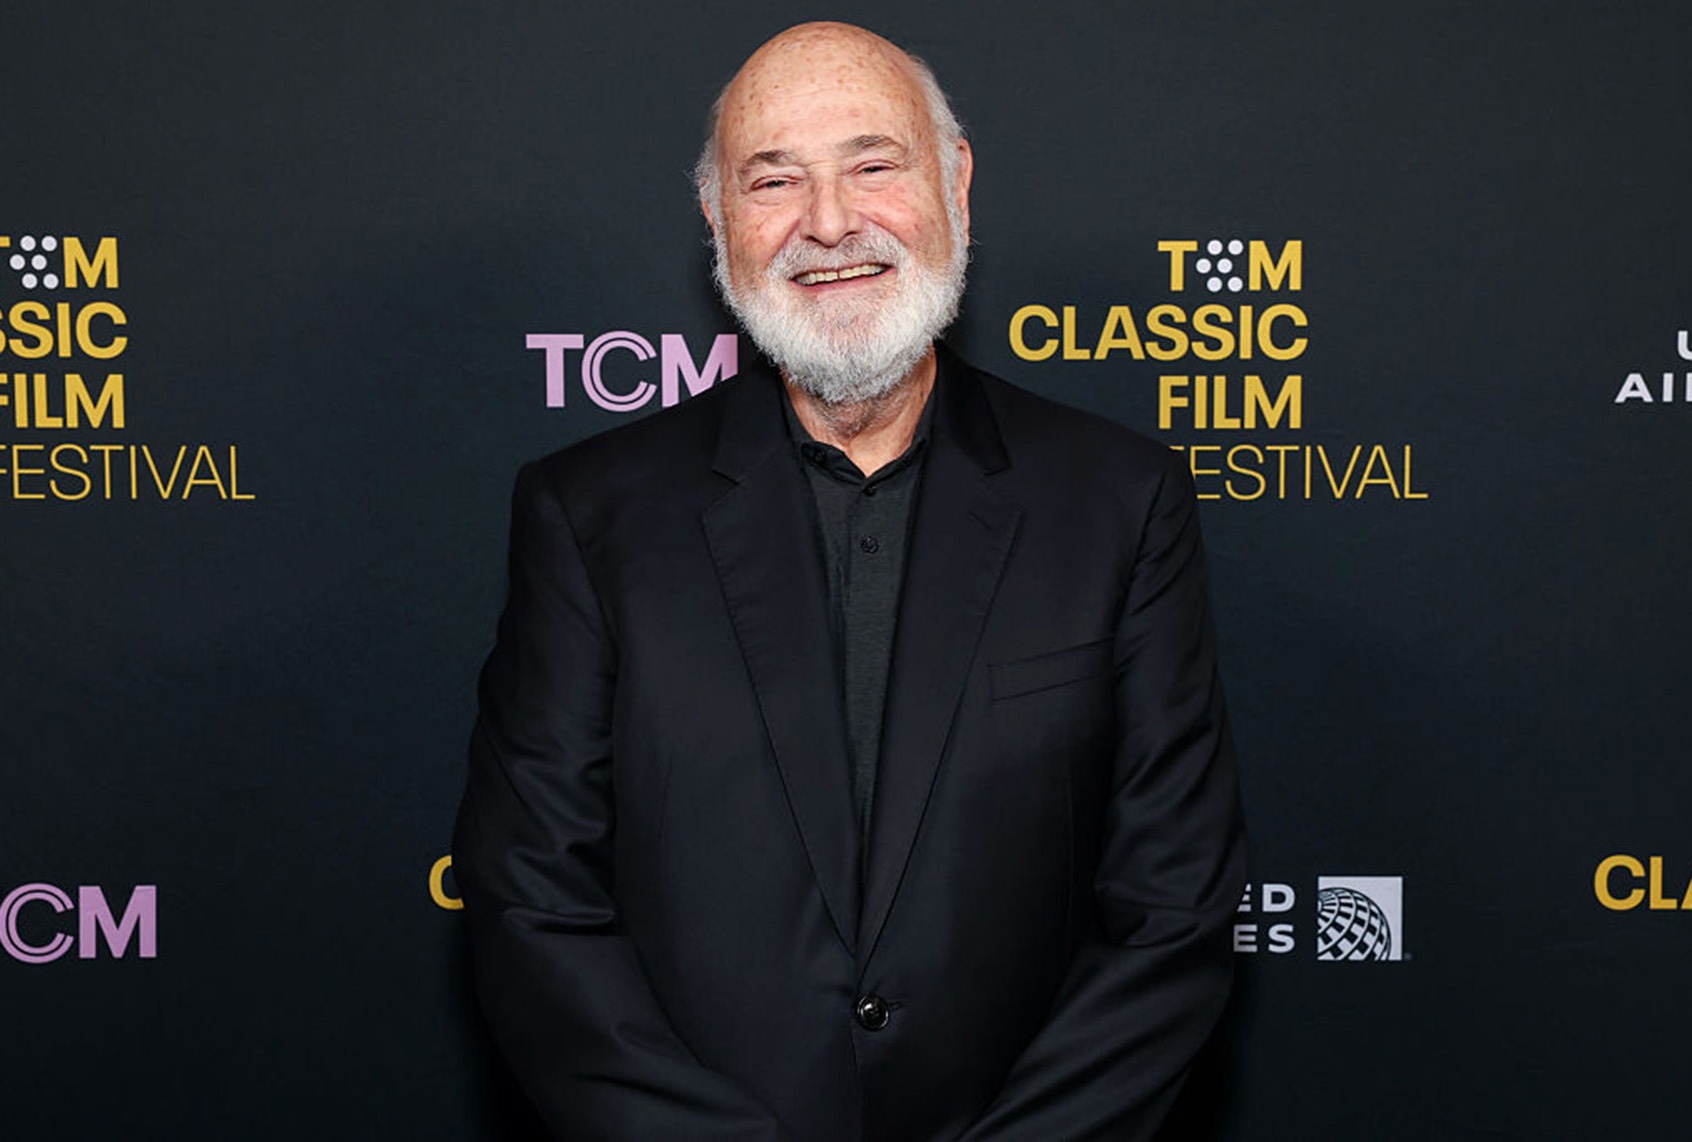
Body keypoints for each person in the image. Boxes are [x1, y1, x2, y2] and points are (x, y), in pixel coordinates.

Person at [454, 21, 1245, 1141]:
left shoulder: (1122, 501)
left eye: (874, 165)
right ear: (719, 222)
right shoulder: (588, 514)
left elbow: (1172, 909)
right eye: (773, 179)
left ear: (954, 179)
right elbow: (532, 900)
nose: (829, 223)